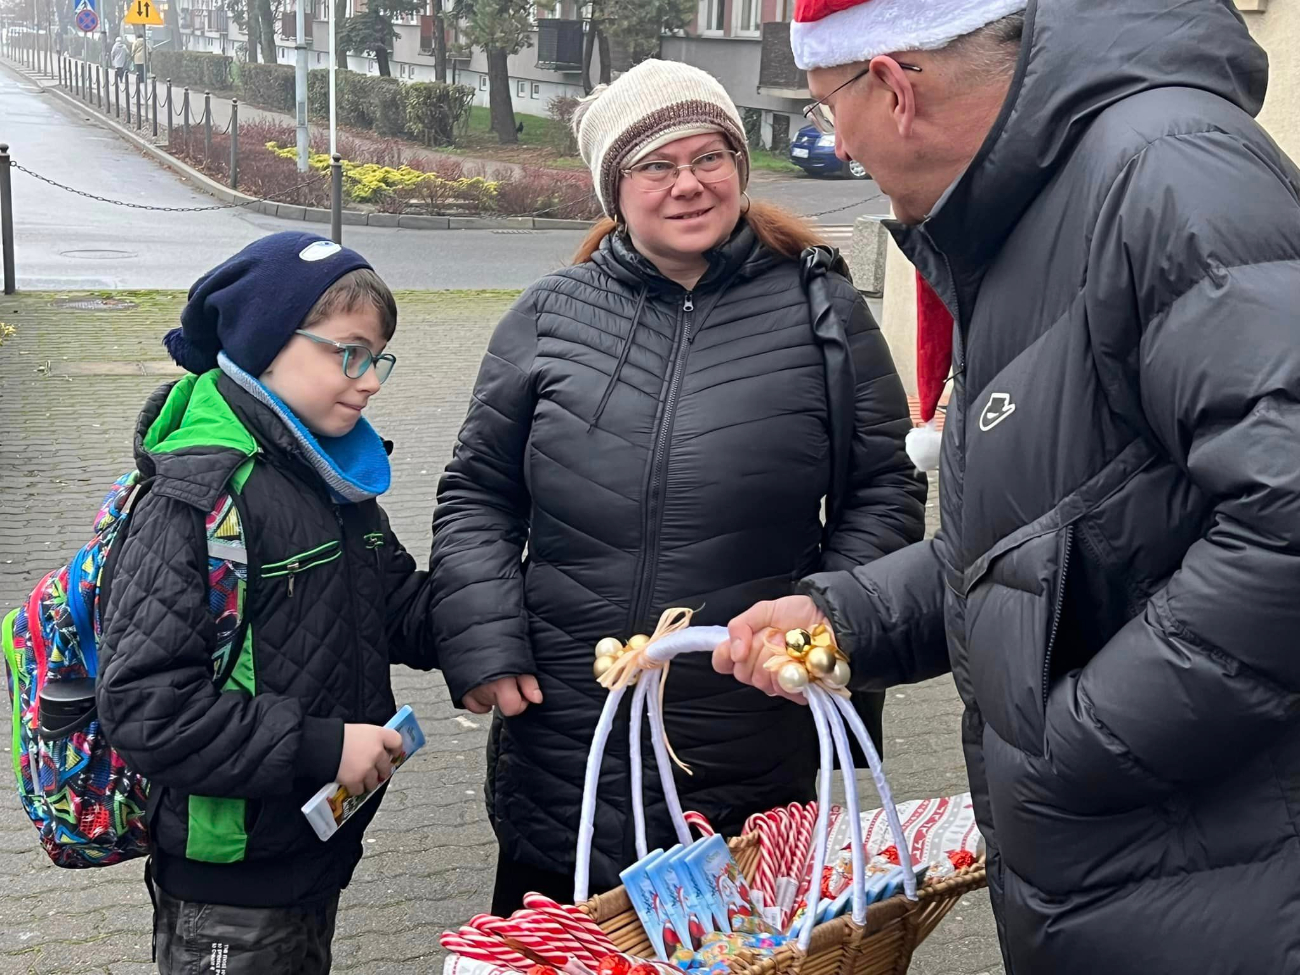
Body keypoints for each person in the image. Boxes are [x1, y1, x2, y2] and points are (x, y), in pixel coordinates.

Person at [715, 0, 1300, 972]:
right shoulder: (1034, 211)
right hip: (1132, 882)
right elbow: (1033, 541)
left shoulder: (1167, 176)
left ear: (892, 86)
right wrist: (843, 620)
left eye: (825, 109)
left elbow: (1285, 526)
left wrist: (1073, 743)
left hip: (1225, 898)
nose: (837, 145)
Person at [428, 58, 925, 914]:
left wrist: (824, 622)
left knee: (731, 944)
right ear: (614, 189)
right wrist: (481, 633)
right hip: (569, 735)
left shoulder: (821, 311)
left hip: (750, 726)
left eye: (709, 157)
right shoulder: (549, 313)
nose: (688, 184)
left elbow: (883, 486)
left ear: (738, 164)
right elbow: (478, 491)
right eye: (656, 165)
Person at [97, 232, 438, 974]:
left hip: (309, 846)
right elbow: (147, 708)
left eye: (377, 358)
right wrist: (324, 746)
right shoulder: (197, 499)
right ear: (266, 344)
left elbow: (394, 601)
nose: (370, 381)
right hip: (230, 878)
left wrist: (498, 616)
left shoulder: (327, 471)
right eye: (350, 353)